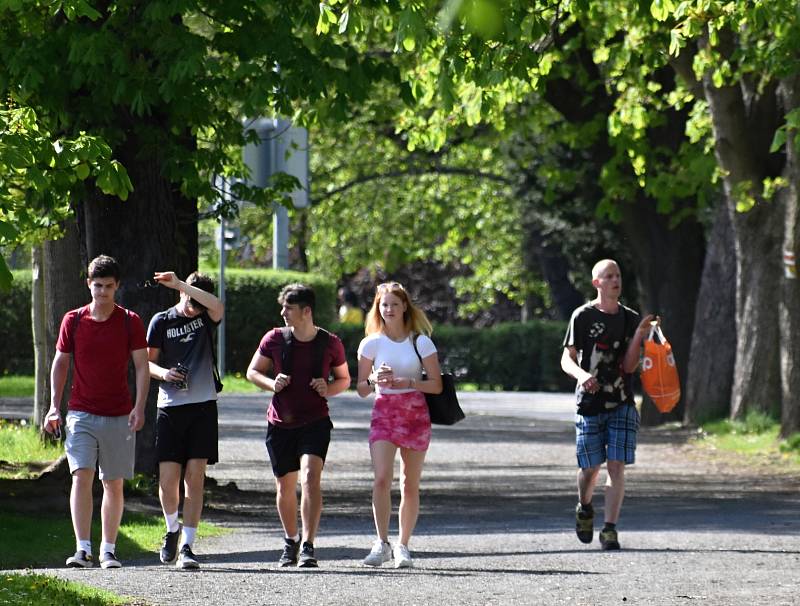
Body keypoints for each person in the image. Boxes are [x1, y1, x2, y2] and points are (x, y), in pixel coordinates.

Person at [43, 255, 150, 569]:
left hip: (118, 413)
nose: (102, 292)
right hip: (81, 413)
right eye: (97, 285)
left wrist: (139, 407)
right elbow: (61, 362)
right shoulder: (73, 320)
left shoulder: (130, 320)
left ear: (117, 287)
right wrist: (53, 406)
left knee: (113, 483)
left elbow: (142, 367)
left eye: (108, 287)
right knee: (81, 477)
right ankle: (82, 549)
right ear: (88, 284)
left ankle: (108, 549)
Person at [245, 283, 350, 568]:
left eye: (288, 308)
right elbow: (252, 371)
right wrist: (271, 383)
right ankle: (290, 540)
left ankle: (308, 544)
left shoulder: (330, 343)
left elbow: (344, 379)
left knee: (311, 477)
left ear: (306, 311)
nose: (283, 313)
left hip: (315, 421)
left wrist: (327, 387)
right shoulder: (274, 339)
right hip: (280, 422)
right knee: (285, 486)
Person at [560, 259, 654, 551]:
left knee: (616, 465)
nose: (616, 280)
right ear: (596, 283)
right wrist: (582, 375)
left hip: (622, 401)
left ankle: (610, 529)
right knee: (590, 468)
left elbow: (628, 366)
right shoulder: (582, 316)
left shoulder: (629, 318)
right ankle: (584, 506)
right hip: (589, 402)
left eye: (618, 275)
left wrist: (639, 334)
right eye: (609, 276)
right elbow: (567, 358)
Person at [356, 282, 442, 569]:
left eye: (394, 304)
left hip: (415, 413)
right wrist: (373, 380)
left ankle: (403, 545)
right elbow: (361, 389)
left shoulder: (421, 342)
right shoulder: (371, 343)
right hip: (384, 412)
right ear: (377, 309)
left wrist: (409, 383)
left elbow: (437, 385)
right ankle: (381, 543)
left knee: (409, 483)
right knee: (381, 478)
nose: (389, 309)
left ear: (405, 306)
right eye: (384, 305)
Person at [146, 271, 224, 570]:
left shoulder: (206, 315)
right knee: (168, 480)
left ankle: (188, 545)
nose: (194, 309)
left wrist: (182, 285)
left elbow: (216, 305)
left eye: (198, 305)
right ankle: (171, 529)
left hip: (203, 406)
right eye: (190, 303)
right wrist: (165, 374)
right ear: (180, 297)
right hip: (170, 406)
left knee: (195, 477)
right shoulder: (161, 321)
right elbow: (146, 362)